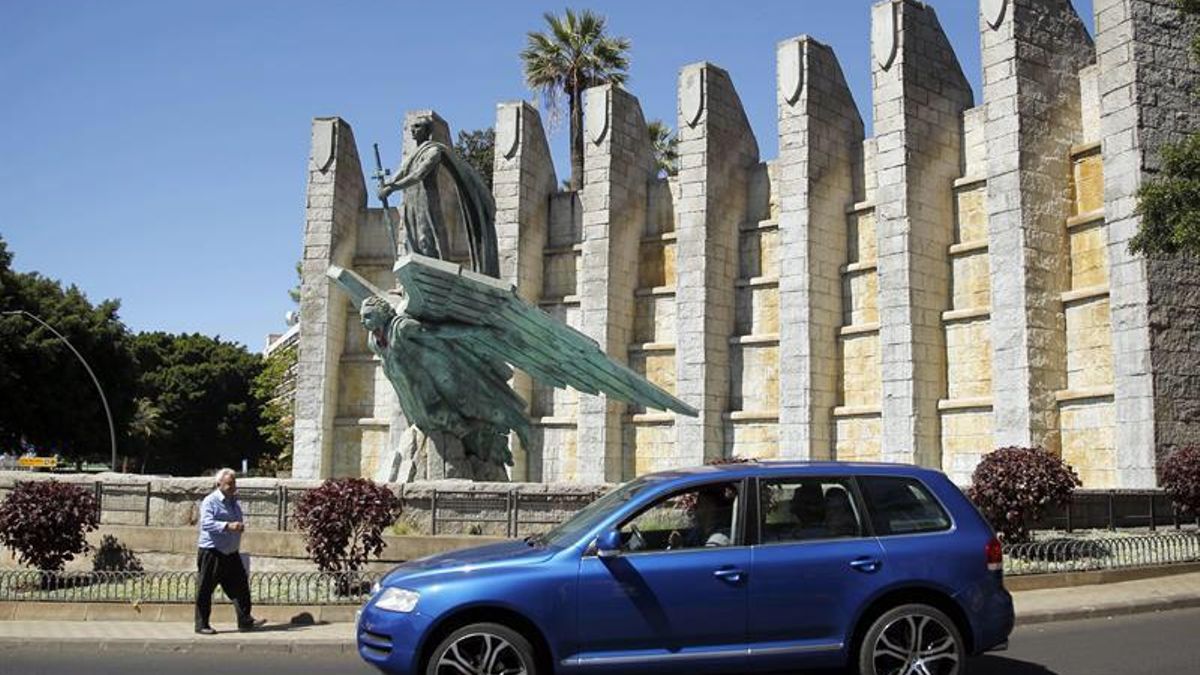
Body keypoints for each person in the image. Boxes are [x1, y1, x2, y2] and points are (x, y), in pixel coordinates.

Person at [194, 468, 265, 635]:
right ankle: (202, 624)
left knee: (240, 588)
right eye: (229, 484)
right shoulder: (210, 501)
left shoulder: (233, 501)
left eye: (234, 483)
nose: (233, 487)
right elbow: (206, 524)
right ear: (219, 484)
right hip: (212, 551)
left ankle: (245, 620)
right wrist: (228, 526)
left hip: (231, 553)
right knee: (205, 589)